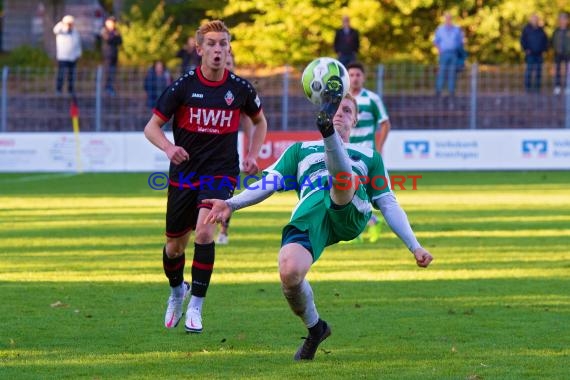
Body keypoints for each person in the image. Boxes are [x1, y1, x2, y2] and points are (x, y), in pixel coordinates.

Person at [204, 77, 433, 360]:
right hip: (311, 215)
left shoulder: (369, 156)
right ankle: (316, 329)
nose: (341, 114)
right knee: (289, 272)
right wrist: (231, 203)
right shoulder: (299, 151)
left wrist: (415, 246)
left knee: (343, 178)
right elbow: (269, 183)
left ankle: (326, 135)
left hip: (350, 211)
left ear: (356, 120)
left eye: (346, 110)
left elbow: (387, 203)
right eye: (335, 110)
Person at [143, 20, 268, 334]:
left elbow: (259, 121)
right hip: (184, 174)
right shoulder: (183, 86)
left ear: (228, 49)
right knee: (174, 247)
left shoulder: (240, 88)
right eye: (211, 44)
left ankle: (196, 306)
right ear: (199, 49)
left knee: (204, 232)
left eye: (223, 44)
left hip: (221, 173)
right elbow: (151, 127)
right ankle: (177, 291)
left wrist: (252, 155)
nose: (218, 50)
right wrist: (170, 148)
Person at [347, 61, 391, 243]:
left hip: (366, 153)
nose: (355, 78)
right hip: (347, 153)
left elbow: (385, 124)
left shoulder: (372, 99)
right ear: (346, 78)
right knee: (347, 191)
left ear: (363, 77)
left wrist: (379, 149)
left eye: (358, 75)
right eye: (351, 75)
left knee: (362, 191)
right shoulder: (343, 99)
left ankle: (368, 223)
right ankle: (367, 224)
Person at [216, 52, 257, 245]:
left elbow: (248, 119)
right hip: (201, 155)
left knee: (225, 195)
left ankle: (223, 230)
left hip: (227, 155)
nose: (228, 65)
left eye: (231, 63)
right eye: (226, 62)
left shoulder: (238, 89)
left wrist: (250, 151)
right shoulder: (207, 86)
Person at [433, 12, 464, 97]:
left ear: (451, 19)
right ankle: (438, 91)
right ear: (444, 19)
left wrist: (459, 52)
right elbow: (435, 41)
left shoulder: (456, 29)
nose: (448, 20)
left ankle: (451, 92)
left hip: (454, 54)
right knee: (442, 72)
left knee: (452, 72)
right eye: (446, 18)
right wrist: (440, 50)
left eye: (449, 18)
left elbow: (461, 41)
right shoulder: (440, 29)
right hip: (444, 53)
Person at [53, 15, 82, 95]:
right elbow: (55, 30)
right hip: (63, 57)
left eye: (71, 23)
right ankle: (58, 90)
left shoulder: (75, 32)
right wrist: (63, 23)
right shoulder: (61, 31)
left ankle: (70, 90)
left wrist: (78, 54)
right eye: (68, 23)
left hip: (73, 57)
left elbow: (77, 44)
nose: (70, 25)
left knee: (71, 75)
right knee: (61, 74)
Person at [520, 14, 548, 93]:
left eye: (536, 19)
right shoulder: (526, 29)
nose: (535, 21)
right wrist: (526, 49)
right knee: (529, 71)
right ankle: (527, 89)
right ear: (530, 20)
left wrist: (544, 50)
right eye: (533, 19)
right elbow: (522, 40)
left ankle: (537, 89)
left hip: (539, 54)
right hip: (530, 54)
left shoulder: (541, 30)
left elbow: (545, 41)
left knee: (538, 72)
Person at [100, 16, 122, 95]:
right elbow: (108, 39)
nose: (113, 24)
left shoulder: (116, 31)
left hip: (114, 55)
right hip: (107, 55)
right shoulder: (104, 30)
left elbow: (120, 41)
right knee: (107, 72)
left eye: (114, 22)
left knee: (113, 72)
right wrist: (114, 36)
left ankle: (110, 87)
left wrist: (115, 36)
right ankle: (106, 88)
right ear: (107, 22)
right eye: (111, 22)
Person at [552, 12, 570, 95]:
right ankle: (557, 87)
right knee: (557, 71)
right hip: (558, 54)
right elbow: (552, 41)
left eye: (564, 19)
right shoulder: (556, 31)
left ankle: (568, 87)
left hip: (568, 54)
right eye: (561, 19)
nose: (562, 21)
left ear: (567, 20)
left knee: (568, 71)